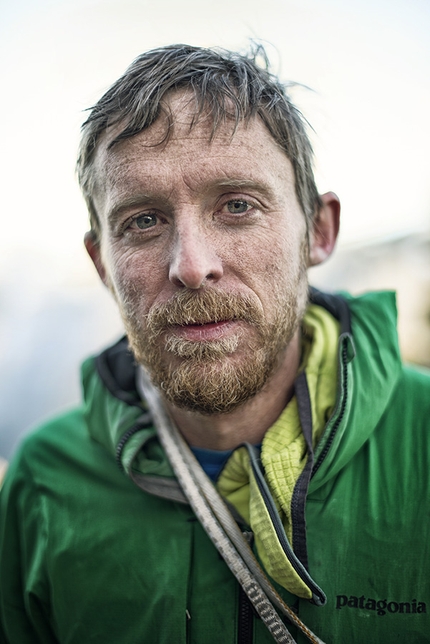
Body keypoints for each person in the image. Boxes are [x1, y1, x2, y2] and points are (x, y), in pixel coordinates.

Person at [0, 44, 429, 644]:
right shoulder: (44, 479)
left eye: (237, 205)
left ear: (319, 231)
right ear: (102, 263)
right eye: (142, 221)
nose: (191, 266)